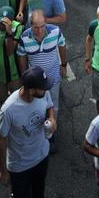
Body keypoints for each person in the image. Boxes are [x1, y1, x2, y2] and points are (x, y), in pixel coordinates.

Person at [0, 66, 55, 198]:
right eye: (41, 87)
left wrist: (52, 120)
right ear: (30, 89)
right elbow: (1, 141)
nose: (45, 90)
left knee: (39, 192)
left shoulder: (43, 93)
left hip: (42, 156)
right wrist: (4, 171)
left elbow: (50, 107)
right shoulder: (9, 109)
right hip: (19, 164)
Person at [17, 9, 67, 149]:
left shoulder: (55, 32)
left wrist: (63, 64)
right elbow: (22, 56)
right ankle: (39, 128)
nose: (39, 31)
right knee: (38, 105)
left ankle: (51, 132)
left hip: (53, 77)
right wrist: (25, 77)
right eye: (35, 27)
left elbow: (62, 46)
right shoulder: (24, 37)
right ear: (30, 25)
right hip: (35, 81)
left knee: (54, 105)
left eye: (42, 26)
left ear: (46, 23)